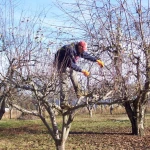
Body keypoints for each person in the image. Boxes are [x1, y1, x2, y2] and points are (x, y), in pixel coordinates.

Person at [54, 41, 104, 109]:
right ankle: (63, 103)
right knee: (64, 82)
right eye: (83, 50)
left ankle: (79, 93)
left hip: (69, 62)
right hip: (60, 63)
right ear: (79, 47)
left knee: (74, 77)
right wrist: (82, 71)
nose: (83, 52)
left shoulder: (79, 50)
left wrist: (97, 60)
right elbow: (70, 64)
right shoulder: (70, 50)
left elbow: (87, 56)